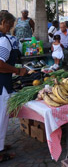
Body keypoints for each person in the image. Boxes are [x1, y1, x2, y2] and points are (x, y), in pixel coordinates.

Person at [0, 11, 27, 163]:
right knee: (0, 119)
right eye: (9, 25)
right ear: (3, 22)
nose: (10, 28)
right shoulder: (3, 40)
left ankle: (1, 145)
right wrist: (18, 71)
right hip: (1, 85)